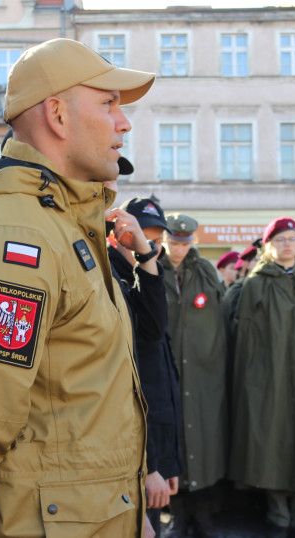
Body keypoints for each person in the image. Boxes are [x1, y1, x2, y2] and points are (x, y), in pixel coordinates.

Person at [0, 37, 155, 537]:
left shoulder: (62, 222)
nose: (124, 123)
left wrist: (133, 515)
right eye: (108, 104)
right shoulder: (16, 235)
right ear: (57, 116)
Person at [229, 217, 295, 537]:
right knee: (271, 442)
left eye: (292, 239)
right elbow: (245, 337)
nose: (287, 245)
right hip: (269, 377)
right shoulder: (256, 283)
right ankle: (278, 514)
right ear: (268, 246)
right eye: (280, 240)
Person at [109, 196, 183, 536]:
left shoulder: (145, 272)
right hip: (135, 457)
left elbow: (161, 377)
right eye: (142, 238)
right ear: (117, 237)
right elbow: (132, 389)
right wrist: (150, 466)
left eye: (155, 240)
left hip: (154, 450)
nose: (151, 247)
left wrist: (167, 462)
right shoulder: (115, 277)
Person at [160, 213, 227, 538]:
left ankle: (202, 514)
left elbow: (221, 317)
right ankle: (175, 515)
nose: (179, 249)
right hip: (167, 370)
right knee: (171, 440)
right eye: (173, 242)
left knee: (203, 442)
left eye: (184, 243)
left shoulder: (205, 272)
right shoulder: (152, 269)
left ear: (193, 242)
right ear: (164, 240)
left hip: (203, 372)